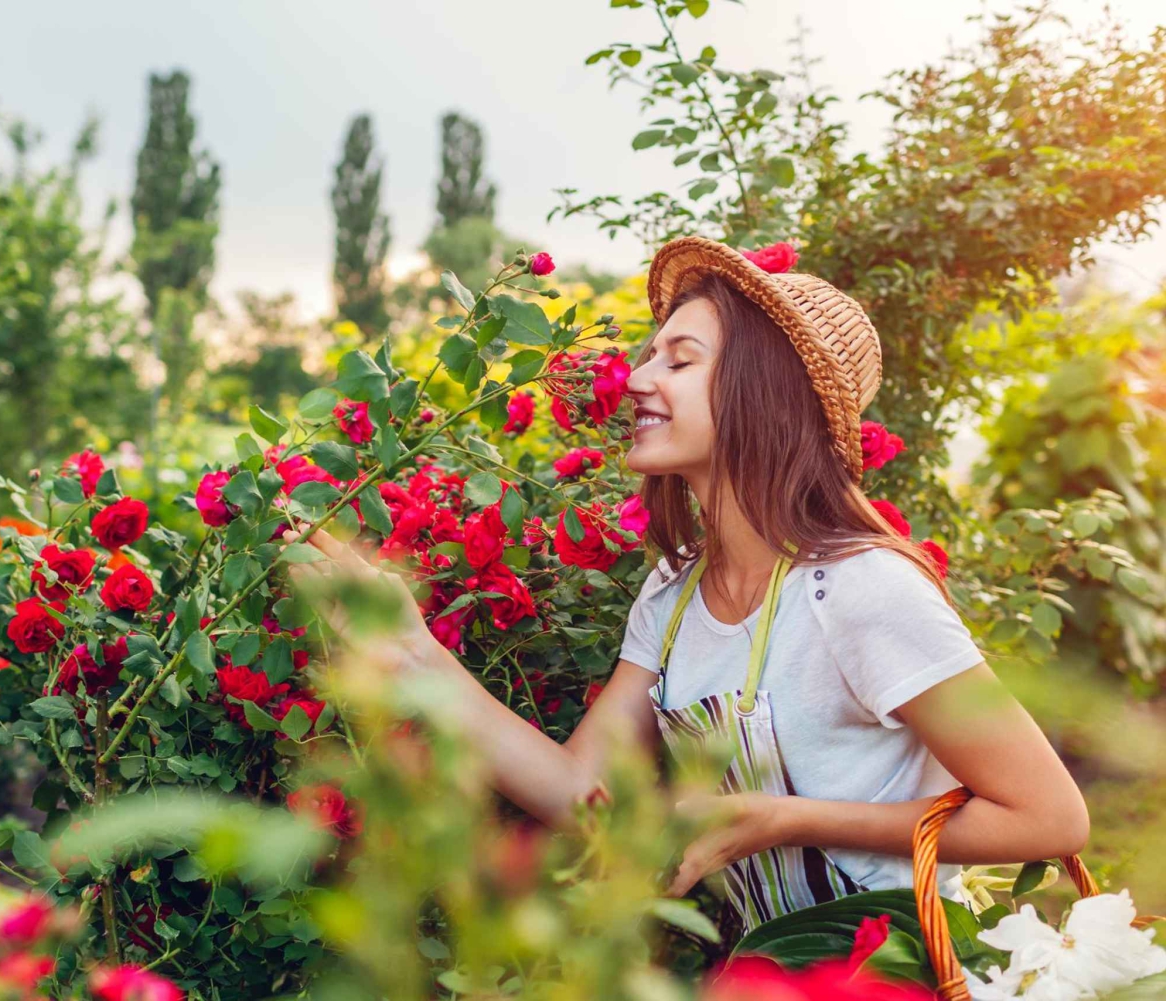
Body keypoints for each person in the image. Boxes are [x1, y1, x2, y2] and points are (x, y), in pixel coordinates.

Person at [286, 235, 1089, 935]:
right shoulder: (672, 597)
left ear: (761, 392)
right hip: (771, 972)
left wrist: (785, 819)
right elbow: (578, 791)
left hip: (898, 965)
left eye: (680, 360)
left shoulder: (861, 590)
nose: (639, 379)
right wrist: (413, 650)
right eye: (650, 354)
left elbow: (1051, 815)